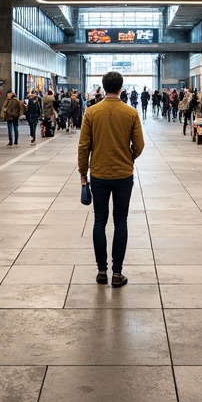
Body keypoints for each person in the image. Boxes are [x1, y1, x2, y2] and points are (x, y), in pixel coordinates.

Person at [78, 70, 145, 289]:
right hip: (123, 175)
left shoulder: (91, 112)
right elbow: (140, 145)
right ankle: (117, 273)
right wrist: (129, 157)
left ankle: (101, 271)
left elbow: (83, 146)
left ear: (103, 87)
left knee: (99, 221)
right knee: (121, 221)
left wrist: (83, 172)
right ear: (121, 87)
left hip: (98, 174)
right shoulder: (131, 113)